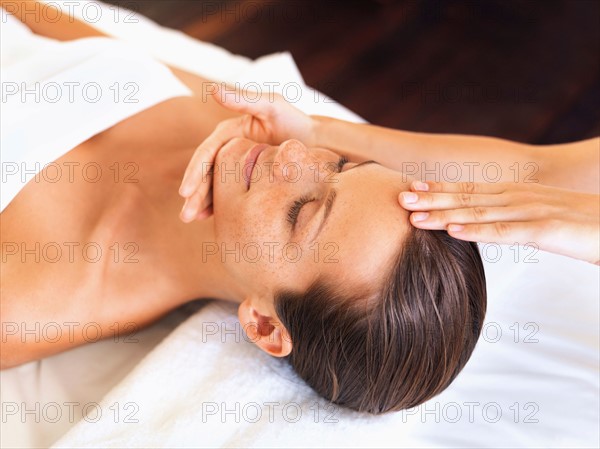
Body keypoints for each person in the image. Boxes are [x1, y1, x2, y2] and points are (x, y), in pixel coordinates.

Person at [1, 1, 596, 414]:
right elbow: (48, 21)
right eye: (338, 165)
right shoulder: (234, 129)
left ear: (262, 324)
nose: (291, 157)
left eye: (299, 213)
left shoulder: (30, 302)